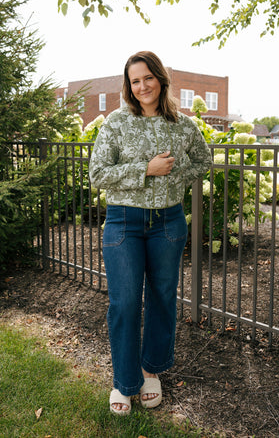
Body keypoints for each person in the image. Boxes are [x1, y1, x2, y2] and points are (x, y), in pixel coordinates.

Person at [89, 51, 212, 414]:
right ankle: (124, 382)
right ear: (129, 85)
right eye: (134, 80)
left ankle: (150, 371)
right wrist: (146, 169)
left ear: (160, 79)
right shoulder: (116, 122)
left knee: (161, 298)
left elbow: (203, 161)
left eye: (147, 78)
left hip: (168, 224)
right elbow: (97, 173)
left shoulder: (183, 125)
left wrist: (172, 168)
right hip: (124, 222)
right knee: (125, 302)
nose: (142, 86)